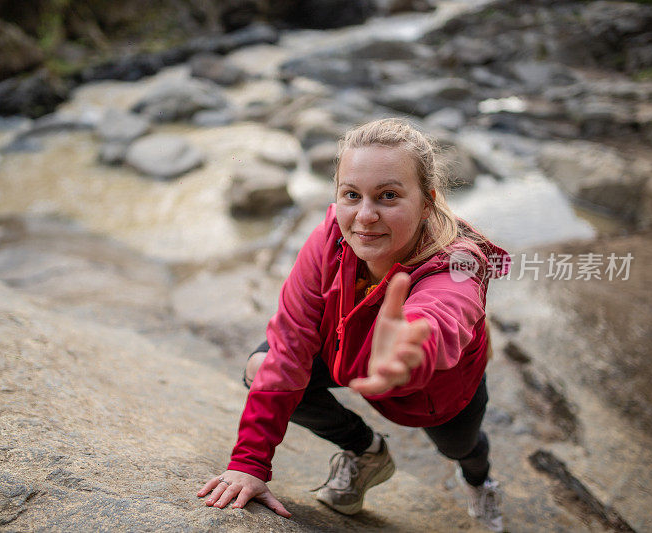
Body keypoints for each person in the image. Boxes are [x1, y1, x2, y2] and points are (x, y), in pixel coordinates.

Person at [197, 118, 509, 531]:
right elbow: (290, 344)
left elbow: (443, 316)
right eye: (351, 195)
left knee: (462, 448)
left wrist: (412, 349)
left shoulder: (457, 268)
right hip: (346, 354)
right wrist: (250, 462)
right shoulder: (329, 237)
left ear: (427, 202)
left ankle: (480, 481)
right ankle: (366, 451)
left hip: (432, 387)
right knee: (263, 367)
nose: (364, 216)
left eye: (389, 196)